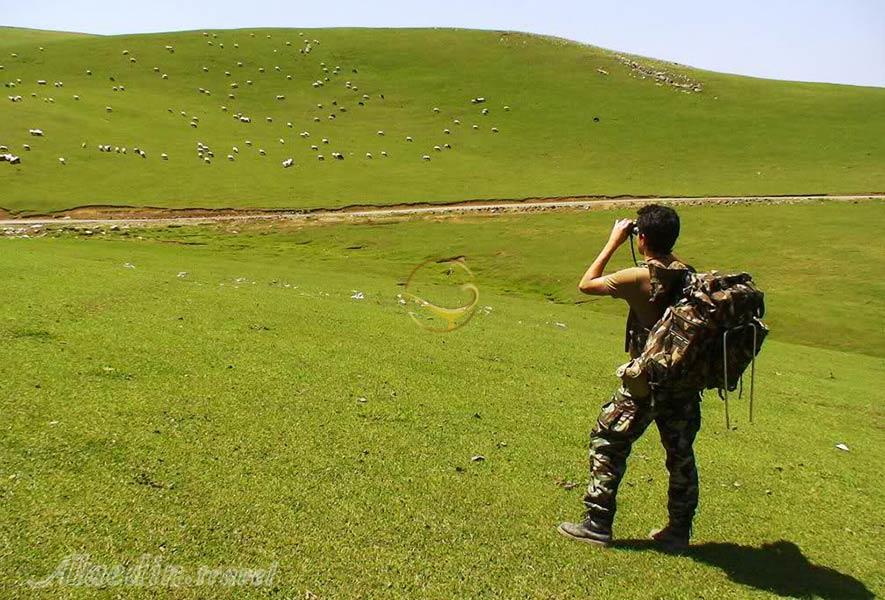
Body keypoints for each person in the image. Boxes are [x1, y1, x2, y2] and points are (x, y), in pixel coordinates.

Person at [558, 204, 701, 552]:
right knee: (680, 454)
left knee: (607, 440)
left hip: (648, 381)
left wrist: (612, 241)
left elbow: (586, 284)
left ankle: (597, 524)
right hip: (683, 382)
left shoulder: (640, 278)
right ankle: (678, 531)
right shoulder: (689, 275)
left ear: (642, 238)